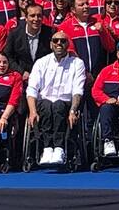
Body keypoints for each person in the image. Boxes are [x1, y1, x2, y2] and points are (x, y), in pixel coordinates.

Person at [26, 31, 86, 166]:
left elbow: (78, 89)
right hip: (44, 103)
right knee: (47, 105)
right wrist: (32, 111)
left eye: (63, 41)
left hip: (65, 104)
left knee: (58, 105)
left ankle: (59, 148)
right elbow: (32, 88)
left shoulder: (77, 63)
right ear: (51, 44)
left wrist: (73, 110)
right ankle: (47, 148)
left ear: (68, 44)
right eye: (56, 40)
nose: (59, 43)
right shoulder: (41, 62)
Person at [59, 0, 116, 82]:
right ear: (73, 10)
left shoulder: (99, 21)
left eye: (87, 3)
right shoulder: (65, 27)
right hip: (77, 76)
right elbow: (70, 52)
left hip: (100, 76)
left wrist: (103, 31)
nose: (86, 6)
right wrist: (84, 72)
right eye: (81, 5)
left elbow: (111, 47)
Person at [4, 3, 54, 84]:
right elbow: (7, 56)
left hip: (45, 79)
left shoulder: (50, 33)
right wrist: (21, 72)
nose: (36, 19)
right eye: (32, 15)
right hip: (22, 80)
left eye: (39, 15)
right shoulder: (15, 34)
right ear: (26, 18)